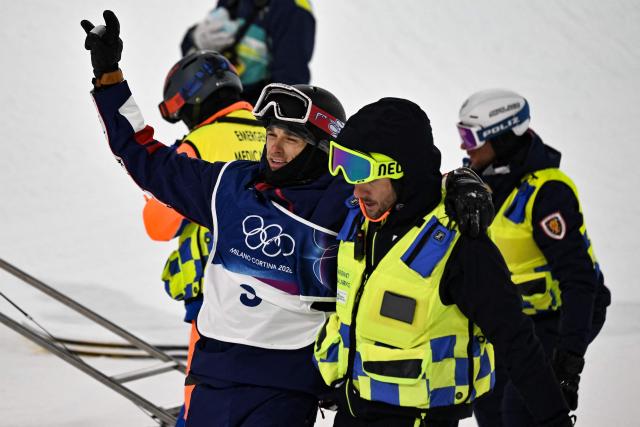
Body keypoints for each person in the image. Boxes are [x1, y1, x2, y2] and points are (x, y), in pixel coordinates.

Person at [82, 10, 352, 425]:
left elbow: (413, 196)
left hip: (285, 391)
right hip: (214, 379)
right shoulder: (231, 186)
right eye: (272, 134)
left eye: (292, 139)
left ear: (321, 147)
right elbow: (144, 156)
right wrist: (110, 78)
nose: (275, 149)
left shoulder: (346, 206)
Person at [313, 97, 573, 426]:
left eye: (366, 175)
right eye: (349, 170)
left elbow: (516, 340)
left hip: (419, 418)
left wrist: (554, 419)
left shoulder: (460, 244)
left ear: (401, 171)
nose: (357, 188)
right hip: (352, 411)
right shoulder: (363, 223)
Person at [455, 89, 611, 426]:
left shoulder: (546, 193)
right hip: (513, 317)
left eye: (470, 136)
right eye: (461, 134)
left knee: (522, 406)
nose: (464, 146)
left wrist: (568, 362)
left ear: (501, 136)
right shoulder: (476, 186)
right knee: (490, 402)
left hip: (559, 314)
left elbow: (580, 281)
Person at [143, 50, 266, 426]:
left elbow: (157, 226)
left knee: (204, 394)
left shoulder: (197, 144)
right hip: (277, 289)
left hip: (217, 296)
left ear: (194, 97)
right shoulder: (276, 134)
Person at [180, 0, 315, 104]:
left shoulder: (294, 9)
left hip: (252, 120)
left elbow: (290, 85)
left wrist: (258, 124)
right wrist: (194, 40)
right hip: (216, 107)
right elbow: (194, 61)